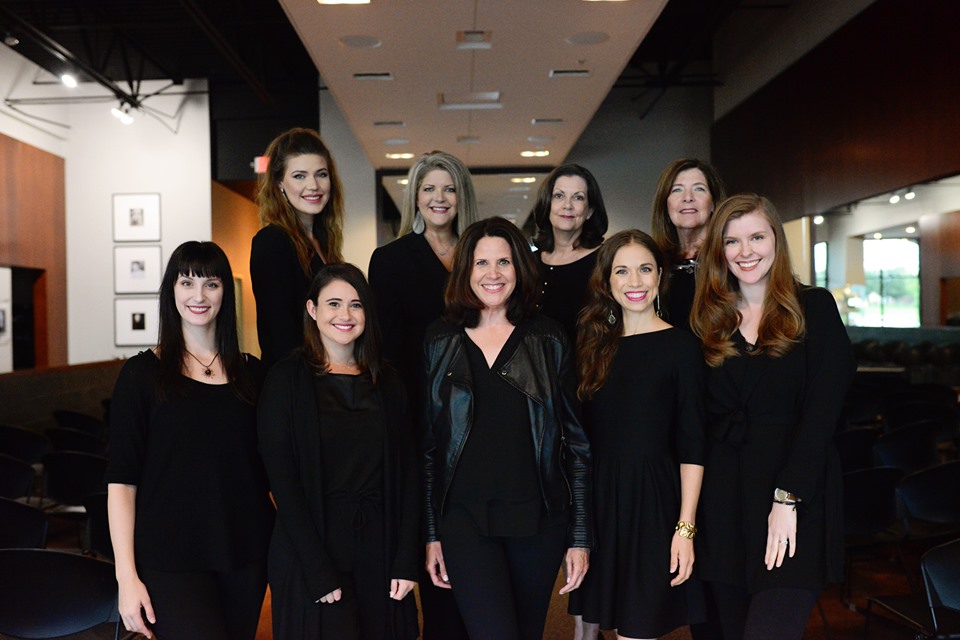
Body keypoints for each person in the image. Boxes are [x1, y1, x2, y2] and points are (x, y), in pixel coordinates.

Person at [690, 194, 855, 639]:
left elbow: (822, 413)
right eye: (732, 241)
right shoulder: (707, 319)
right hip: (722, 504)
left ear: (776, 241)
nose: (745, 252)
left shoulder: (813, 307)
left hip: (794, 496)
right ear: (719, 250)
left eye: (757, 237)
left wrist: (787, 498)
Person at [422, 216, 593, 640]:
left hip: (539, 522)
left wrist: (579, 535)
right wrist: (431, 533)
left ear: (520, 268)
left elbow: (577, 444)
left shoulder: (548, 339)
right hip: (464, 522)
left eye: (504, 262)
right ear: (465, 270)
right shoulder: (440, 340)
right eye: (481, 263)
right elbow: (429, 448)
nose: (493, 274)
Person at [106, 241, 273, 640]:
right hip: (169, 558)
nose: (199, 295)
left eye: (211, 284)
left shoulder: (254, 375)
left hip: (246, 552)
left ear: (225, 293)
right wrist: (126, 577)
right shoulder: (141, 375)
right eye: (187, 282)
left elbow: (271, 468)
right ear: (172, 291)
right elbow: (122, 484)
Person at [258, 263, 420, 640]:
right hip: (312, 551)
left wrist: (405, 558)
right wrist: (316, 568)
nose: (345, 315)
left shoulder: (388, 381)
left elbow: (410, 474)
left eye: (356, 305)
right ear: (312, 309)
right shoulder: (285, 380)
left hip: (380, 548)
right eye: (333, 303)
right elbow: (283, 483)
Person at [570, 230, 707, 639]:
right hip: (602, 504)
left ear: (660, 276)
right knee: (607, 626)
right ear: (607, 280)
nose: (634, 281)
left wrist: (685, 528)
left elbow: (693, 444)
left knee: (638, 630)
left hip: (655, 504)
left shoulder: (682, 347)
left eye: (645, 269)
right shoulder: (591, 347)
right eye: (622, 271)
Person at [367, 150, 478, 640]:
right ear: (414, 196)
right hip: (418, 416)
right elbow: (384, 350)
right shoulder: (390, 259)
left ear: (461, 196)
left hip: (477, 416)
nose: (439, 198)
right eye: (429, 188)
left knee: (474, 544)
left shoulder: (479, 255)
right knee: (431, 544)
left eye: (449, 188)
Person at [251, 127, 345, 368]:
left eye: (321, 174)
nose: (313, 185)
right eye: (299, 176)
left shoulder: (325, 242)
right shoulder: (272, 241)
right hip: (296, 379)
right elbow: (281, 337)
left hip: (326, 375)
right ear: (279, 183)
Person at [531, 163, 608, 340]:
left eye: (578, 198)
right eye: (559, 196)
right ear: (547, 204)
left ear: (589, 211)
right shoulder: (529, 262)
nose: (568, 205)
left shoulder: (604, 261)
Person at [650, 158, 726, 330]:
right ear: (665, 205)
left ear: (713, 203)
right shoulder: (654, 265)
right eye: (677, 190)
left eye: (699, 189)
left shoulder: (731, 259)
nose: (688, 198)